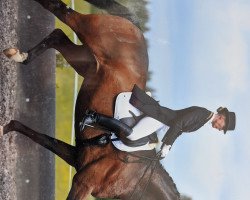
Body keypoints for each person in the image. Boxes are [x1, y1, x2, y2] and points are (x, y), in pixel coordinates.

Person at [80, 85, 236, 158]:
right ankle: (94, 116)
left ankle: (105, 137)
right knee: (133, 136)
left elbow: (179, 131)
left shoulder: (204, 120)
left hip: (162, 127)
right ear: (222, 118)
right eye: (222, 127)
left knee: (142, 146)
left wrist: (166, 147)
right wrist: (167, 145)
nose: (218, 128)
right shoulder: (202, 113)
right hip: (160, 118)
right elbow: (178, 124)